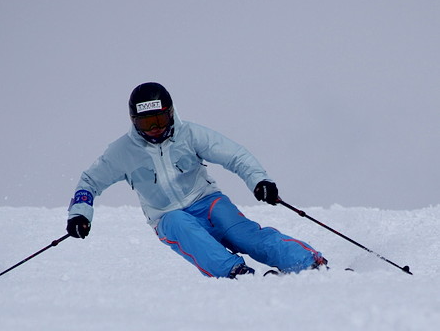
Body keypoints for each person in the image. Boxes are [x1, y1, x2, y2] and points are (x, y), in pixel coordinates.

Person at [66, 82, 327, 278]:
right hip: (166, 215)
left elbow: (235, 155)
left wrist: (260, 181)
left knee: (244, 234)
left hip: (207, 201)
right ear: (134, 122)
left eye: (159, 120)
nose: (155, 129)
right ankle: (236, 274)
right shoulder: (121, 152)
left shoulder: (189, 134)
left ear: (171, 113)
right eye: (147, 124)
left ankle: (310, 264)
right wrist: (80, 214)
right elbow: (89, 182)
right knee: (183, 226)